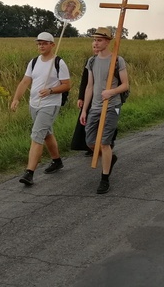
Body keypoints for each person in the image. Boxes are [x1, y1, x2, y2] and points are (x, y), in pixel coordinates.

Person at [11, 32, 71, 186]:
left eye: (44, 43)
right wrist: (16, 98)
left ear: (52, 45)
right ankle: (57, 161)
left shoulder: (59, 63)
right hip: (34, 104)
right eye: (39, 43)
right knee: (46, 134)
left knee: (37, 135)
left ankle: (29, 173)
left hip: (50, 104)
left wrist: (51, 90)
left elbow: (66, 85)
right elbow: (25, 81)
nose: (41, 46)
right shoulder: (33, 62)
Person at [80, 27, 129, 194]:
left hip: (112, 106)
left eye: (99, 40)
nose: (95, 42)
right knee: (90, 141)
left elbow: (125, 85)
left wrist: (111, 92)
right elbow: (89, 87)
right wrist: (84, 110)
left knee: (105, 142)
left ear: (108, 42)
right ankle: (110, 158)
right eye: (94, 40)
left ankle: (105, 178)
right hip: (95, 106)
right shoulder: (92, 61)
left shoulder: (117, 60)